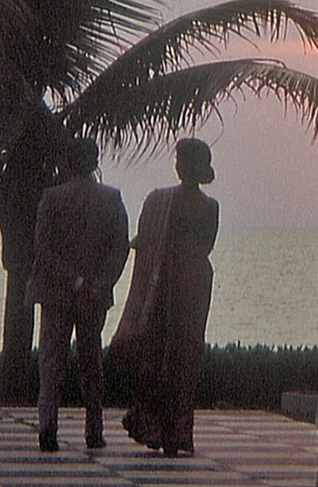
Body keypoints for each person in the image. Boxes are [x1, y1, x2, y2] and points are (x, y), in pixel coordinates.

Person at [110, 137, 220, 456]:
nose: (176, 165)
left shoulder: (160, 201)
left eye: (179, 160)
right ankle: (178, 433)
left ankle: (156, 427)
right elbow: (205, 247)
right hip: (195, 283)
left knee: (160, 358)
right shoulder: (210, 206)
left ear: (186, 166)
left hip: (168, 285)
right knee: (184, 360)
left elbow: (146, 241)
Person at [25, 136, 130, 452]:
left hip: (58, 294)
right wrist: (95, 286)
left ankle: (48, 429)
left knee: (52, 363)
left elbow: (43, 249)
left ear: (67, 163)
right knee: (91, 362)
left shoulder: (52, 198)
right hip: (93, 298)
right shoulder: (112, 199)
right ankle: (94, 430)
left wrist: (75, 282)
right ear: (95, 162)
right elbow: (119, 249)